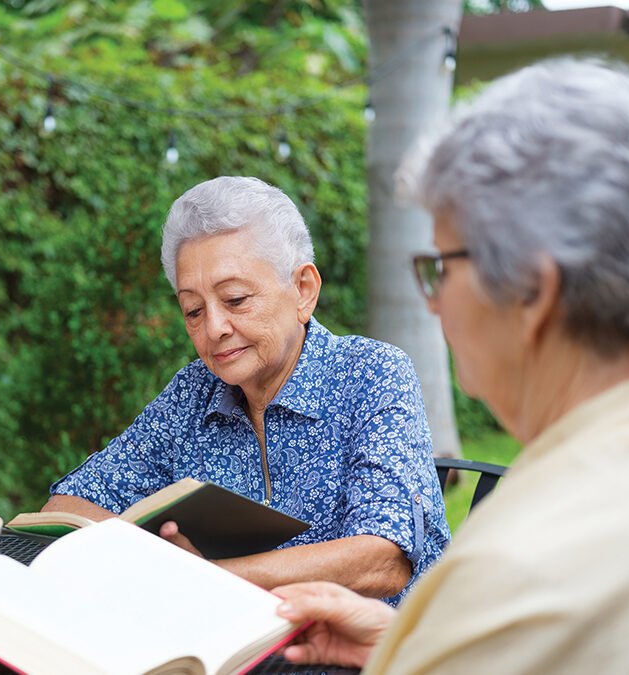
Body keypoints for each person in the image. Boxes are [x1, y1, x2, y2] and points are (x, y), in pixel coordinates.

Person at [272, 57, 629, 674]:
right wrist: (407, 639)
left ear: (532, 293)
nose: (433, 302)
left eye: (443, 268)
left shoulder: (520, 568)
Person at [43, 176, 449, 604]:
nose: (214, 329)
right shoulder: (192, 393)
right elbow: (68, 508)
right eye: (193, 310)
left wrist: (208, 578)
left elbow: (382, 559)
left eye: (235, 300)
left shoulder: (372, 373)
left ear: (303, 290)